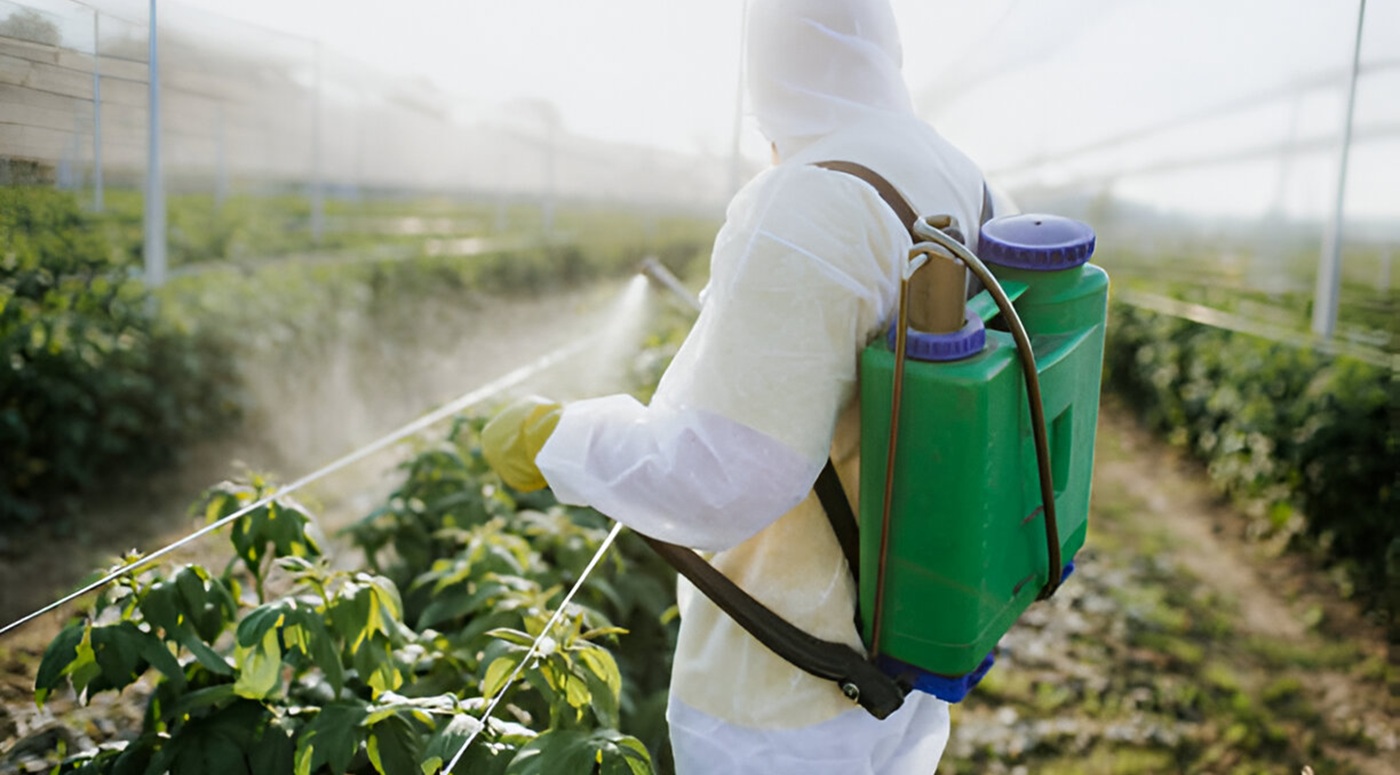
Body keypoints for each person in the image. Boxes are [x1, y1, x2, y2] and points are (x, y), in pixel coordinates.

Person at [483, 0, 993, 771]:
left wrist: (559, 437)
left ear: (770, 62)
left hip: (782, 694)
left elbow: (728, 477)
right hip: (906, 648)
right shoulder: (962, 175)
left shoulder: (814, 198)